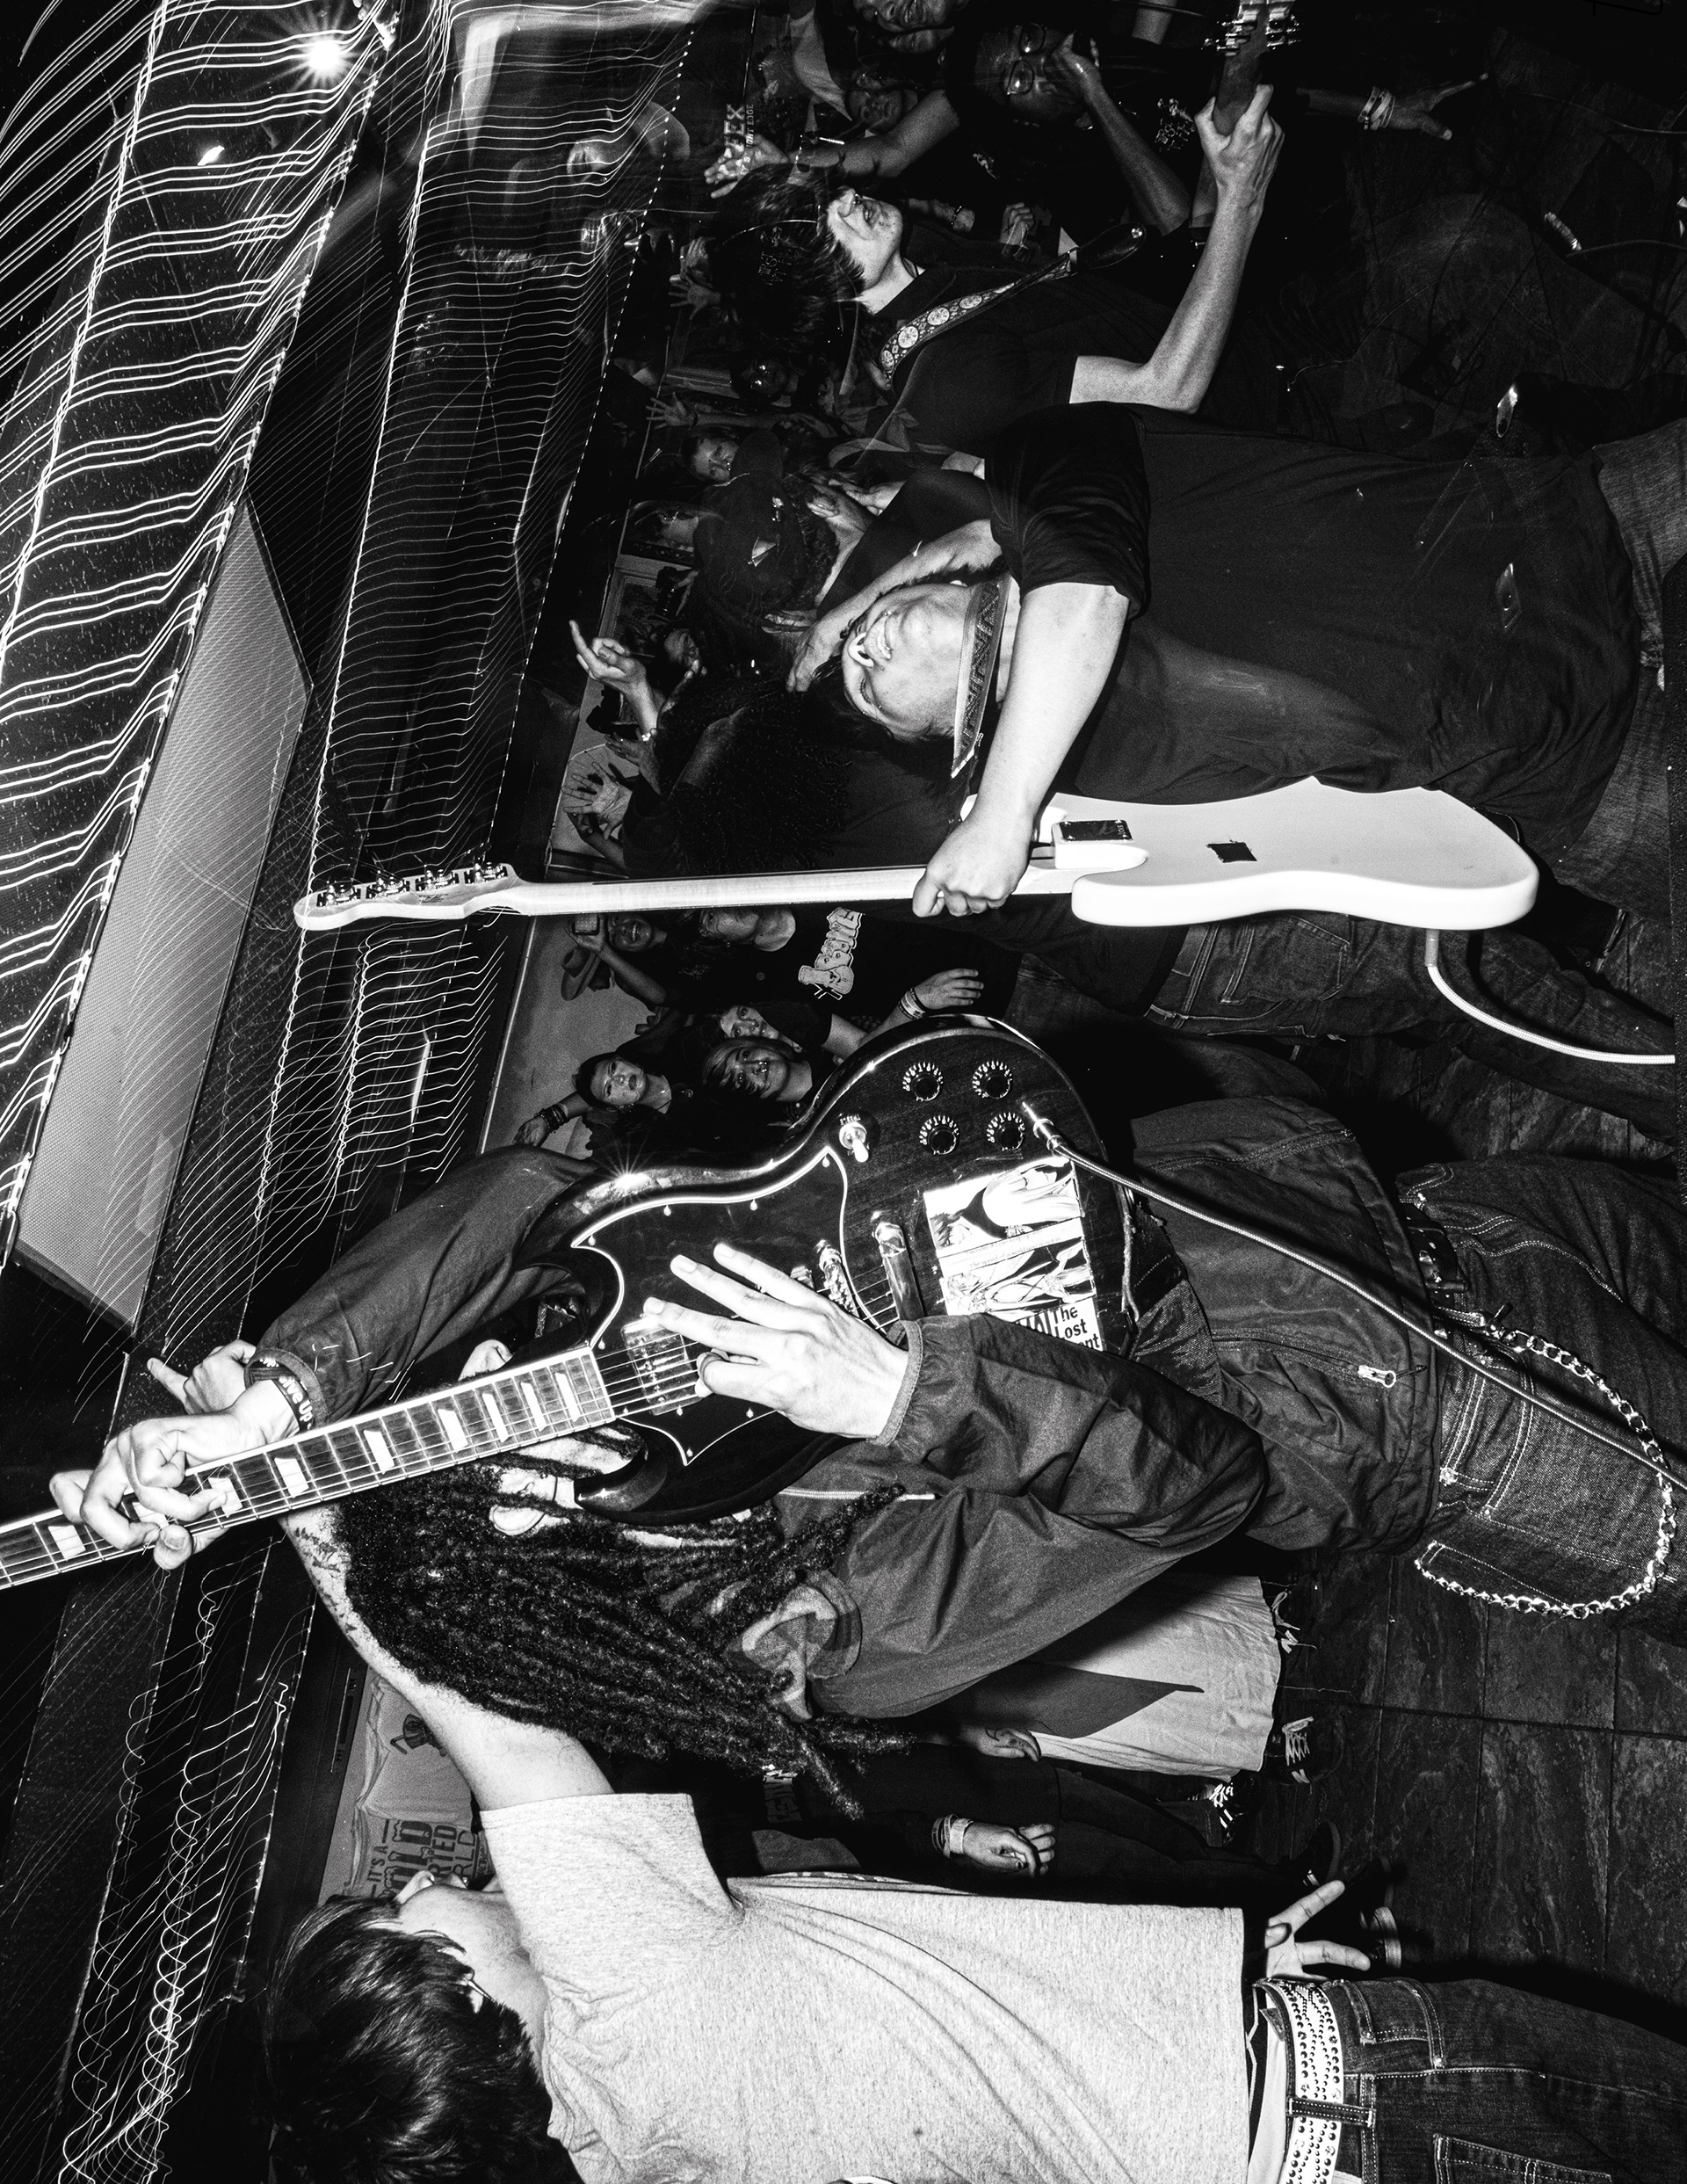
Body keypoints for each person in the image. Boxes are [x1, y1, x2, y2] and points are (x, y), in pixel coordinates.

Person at [54, 1157, 1687, 2182]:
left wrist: (271, 1424)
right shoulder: (842, 1645)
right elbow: (1203, 1486)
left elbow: (545, 1197)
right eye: (410, 1917)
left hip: (1344, 1197)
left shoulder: (659, 1413)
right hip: (1407, 1385)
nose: (429, 1878)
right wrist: (900, 1392)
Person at [785, 400, 1683, 1136]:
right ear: (949, 736)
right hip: (1590, 770)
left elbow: (1086, 593)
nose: (862, 647)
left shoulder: (1044, 455)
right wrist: (997, 816)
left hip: (1601, 525)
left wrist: (997, 812)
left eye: (860, 622)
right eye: (868, 687)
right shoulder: (1088, 768)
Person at [707, 83, 1282, 459]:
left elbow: (889, 152)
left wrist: (784, 175)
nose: (847, 200)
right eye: (822, 226)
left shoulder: (923, 262)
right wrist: (1240, 201)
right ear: (816, 293)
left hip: (1258, 340)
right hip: (1270, 411)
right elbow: (1166, 390)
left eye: (828, 194)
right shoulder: (946, 382)